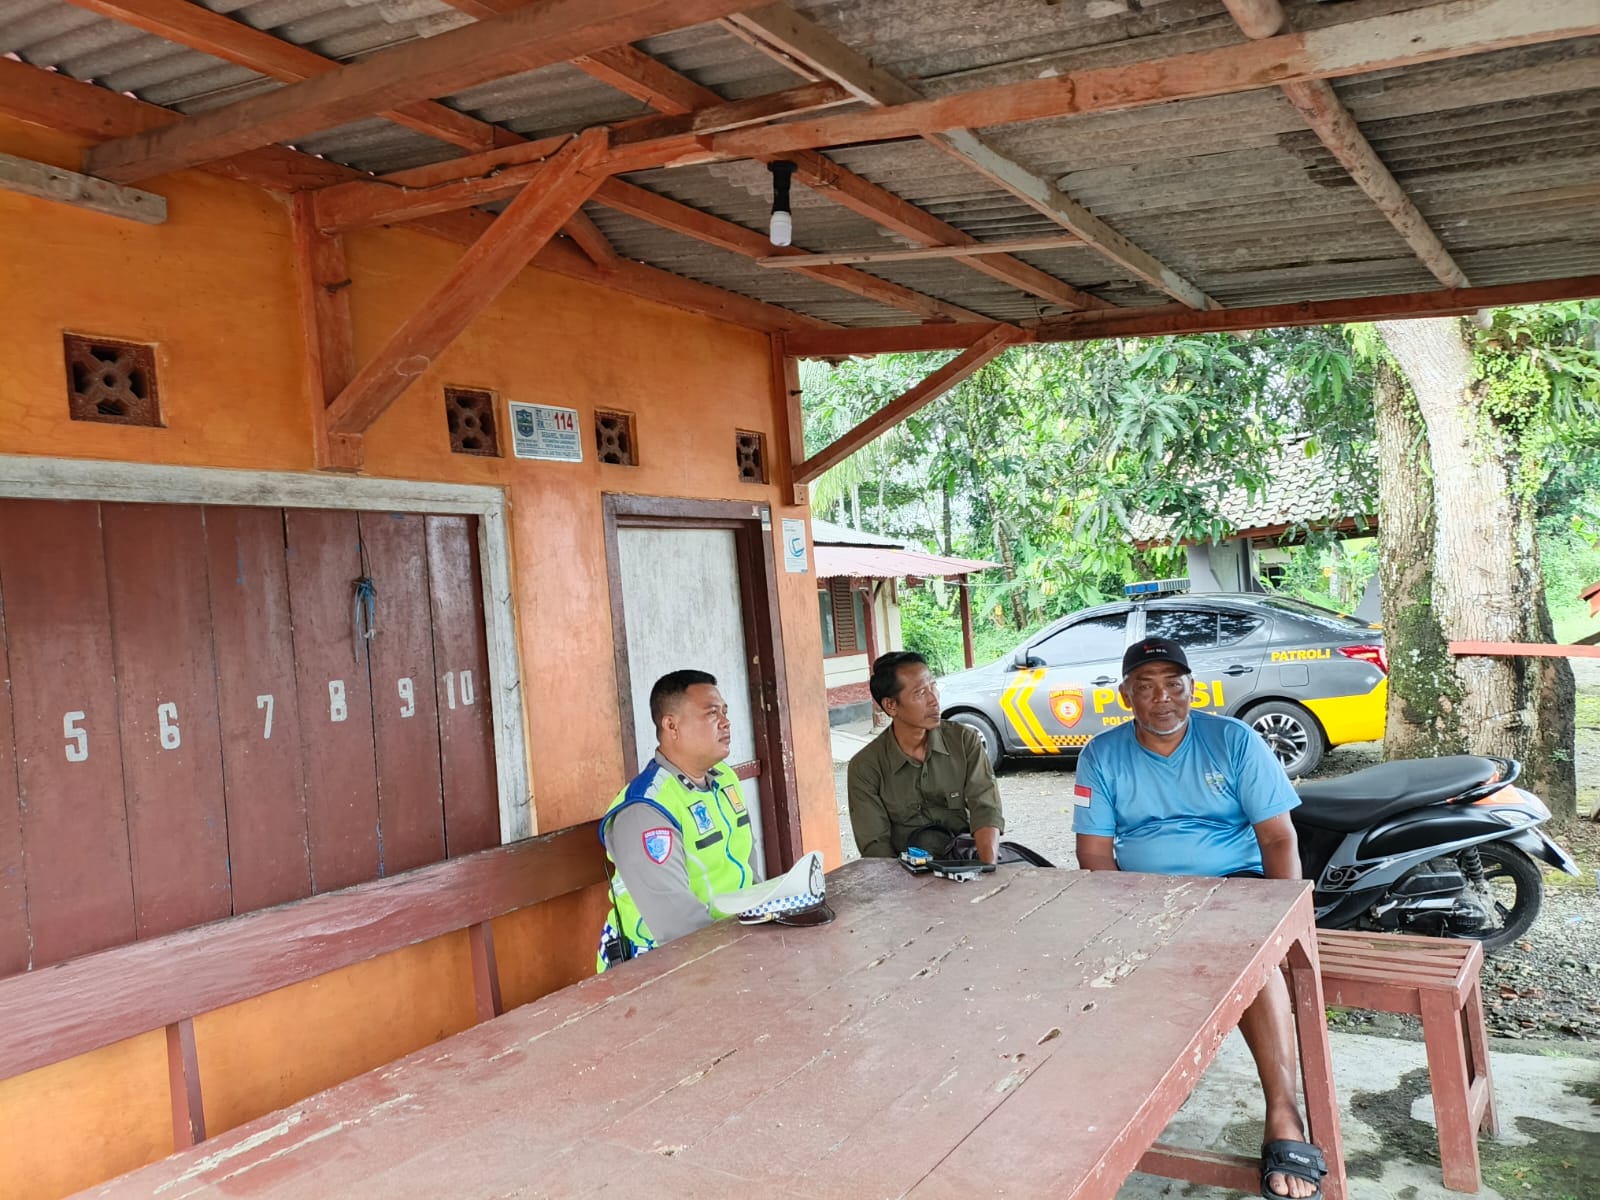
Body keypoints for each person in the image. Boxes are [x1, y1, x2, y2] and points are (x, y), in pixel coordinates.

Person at [1072, 636, 1328, 1200]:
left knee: (1256, 965)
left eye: (1174, 684)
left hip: (1234, 889)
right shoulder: (1101, 755)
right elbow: (1093, 853)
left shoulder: (1233, 740)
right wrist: (1123, 922)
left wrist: (1280, 921)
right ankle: (1125, 1106)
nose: (1161, 697)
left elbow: (1278, 838)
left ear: (1193, 689)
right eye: (1145, 686)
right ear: (1126, 695)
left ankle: (1284, 1113)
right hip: (1144, 898)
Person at [596, 669, 760, 972]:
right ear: (671, 725)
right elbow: (678, 926)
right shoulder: (645, 810)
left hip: (730, 945)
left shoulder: (725, 779)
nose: (726, 722)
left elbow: (748, 870)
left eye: (725, 712)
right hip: (660, 965)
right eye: (712, 713)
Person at [848, 651, 1004, 863]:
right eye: (920, 693)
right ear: (891, 705)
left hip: (964, 860)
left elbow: (985, 809)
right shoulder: (866, 766)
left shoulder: (963, 740)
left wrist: (988, 868)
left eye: (933, 686)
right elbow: (876, 847)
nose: (934, 699)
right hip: (905, 871)